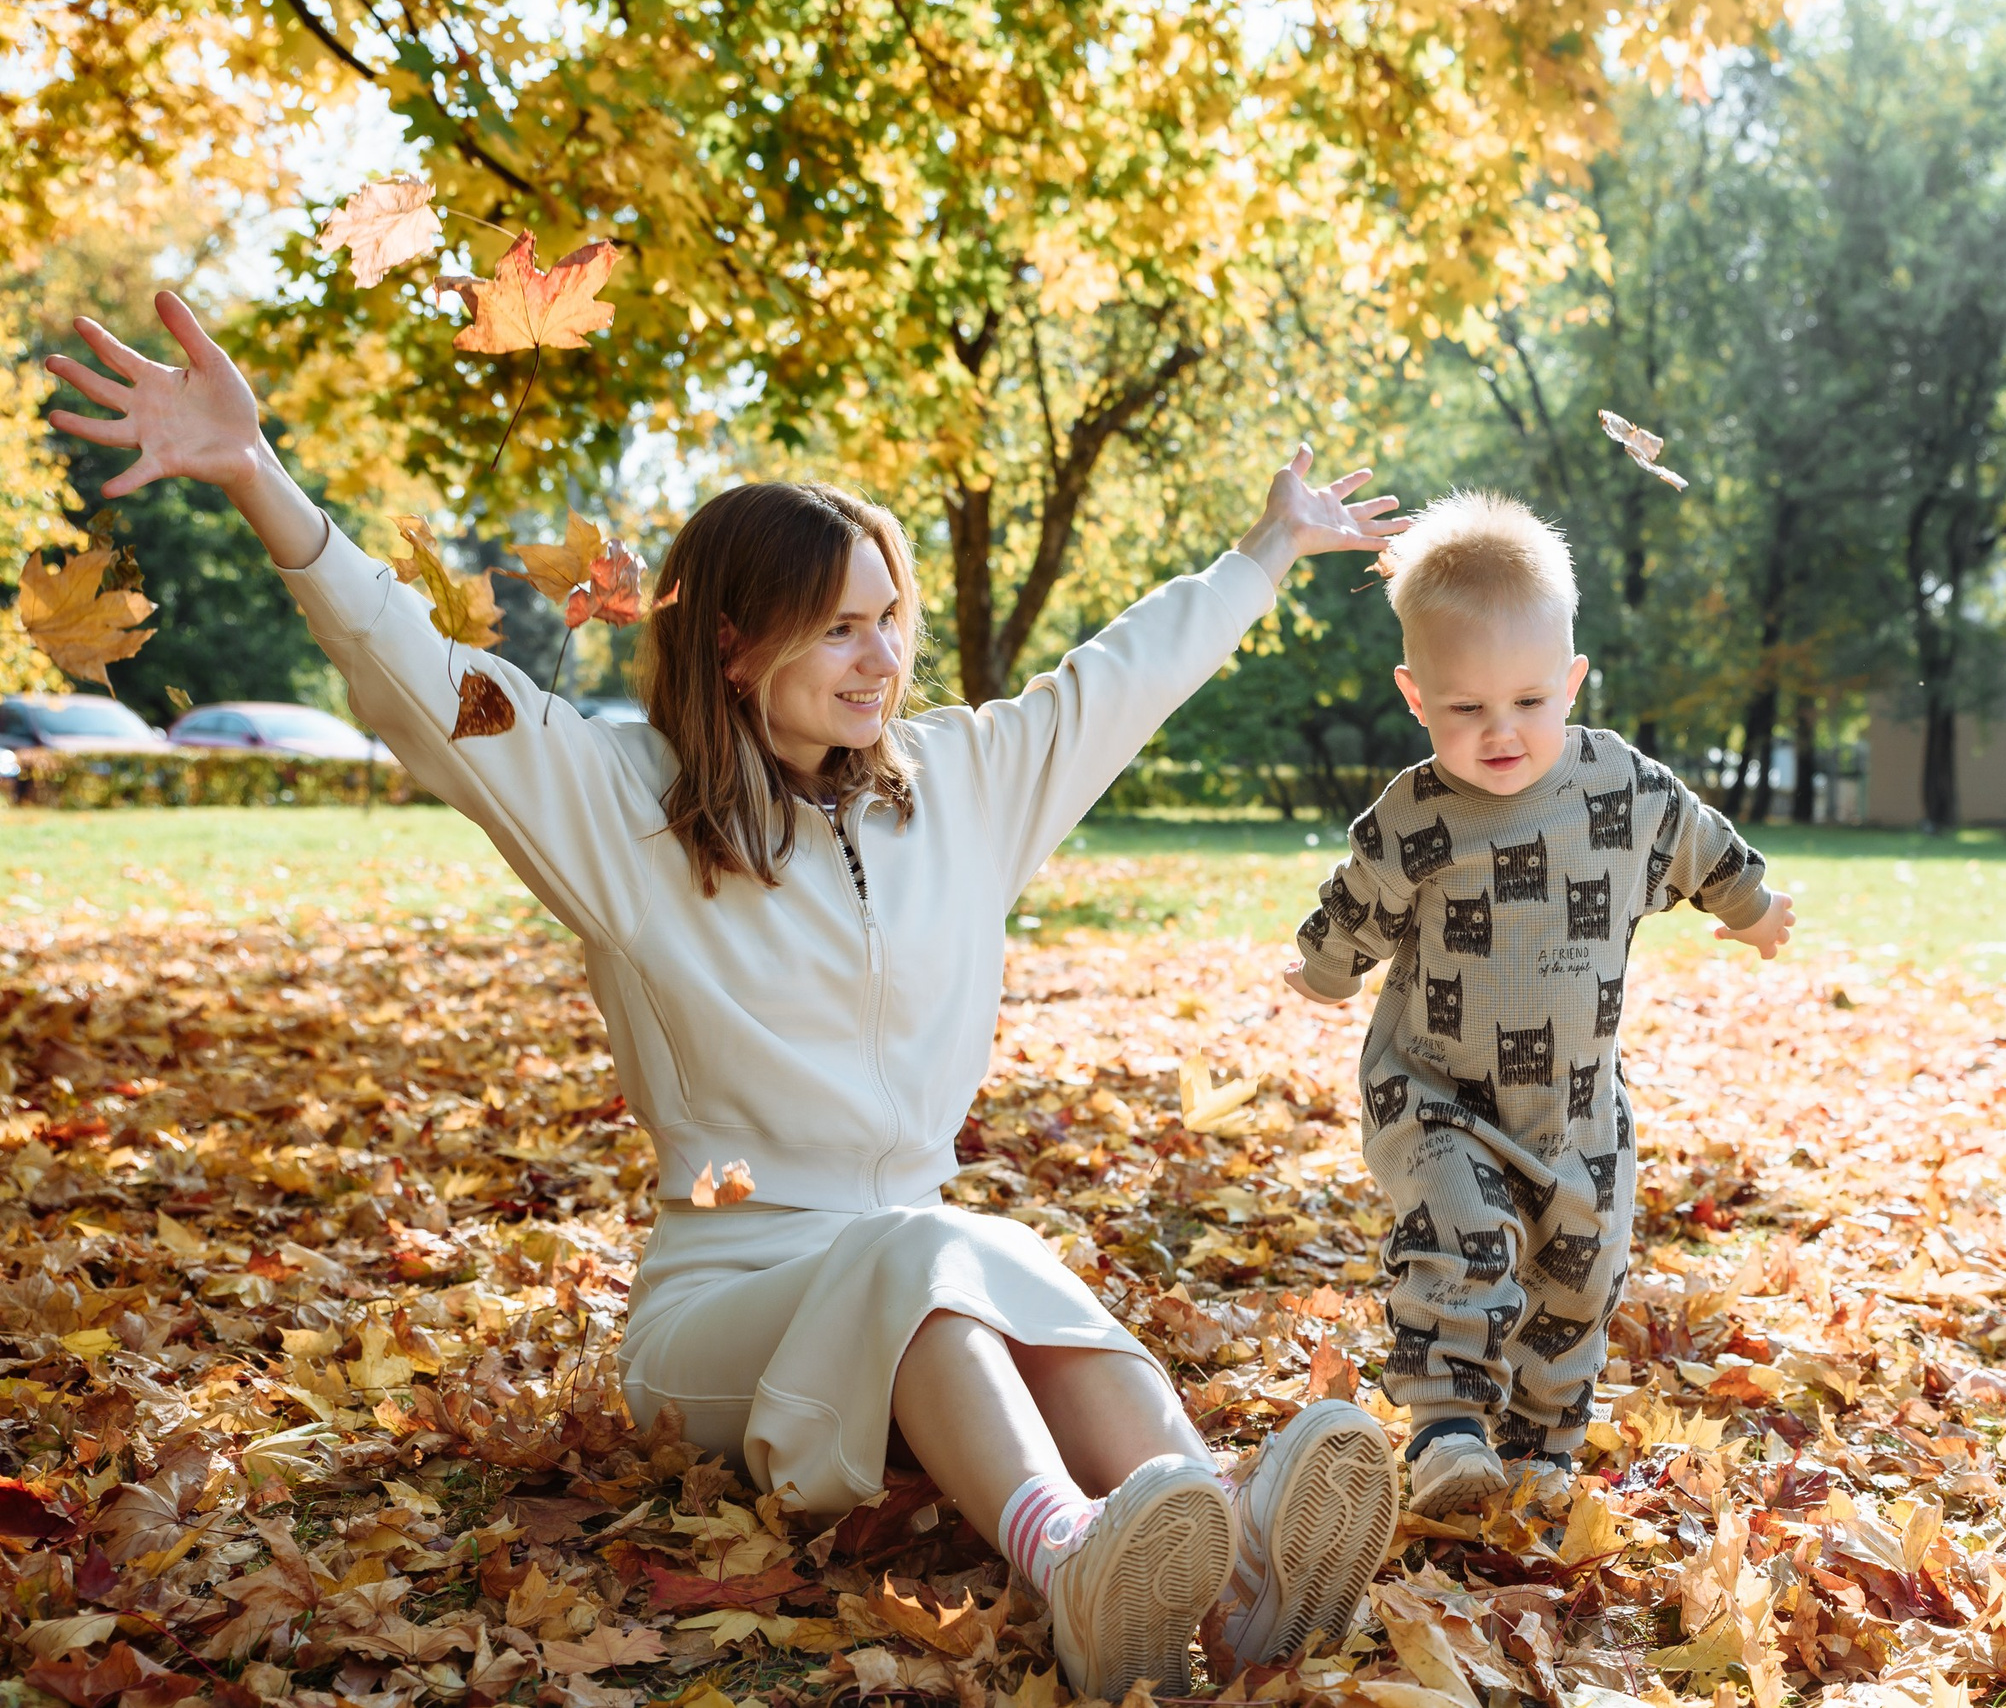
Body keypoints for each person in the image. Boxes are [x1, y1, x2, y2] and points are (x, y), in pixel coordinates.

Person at [48, 293, 1410, 1697]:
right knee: (921, 1257)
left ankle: (1238, 1561)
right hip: (726, 1299)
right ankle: (1070, 1560)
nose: (882, 660)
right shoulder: (624, 807)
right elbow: (419, 681)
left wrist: (1268, 549)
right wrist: (260, 479)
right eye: (838, 631)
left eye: (890, 622)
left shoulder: (958, 790)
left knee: (983, 1256)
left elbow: (1119, 679)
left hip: (918, 1266)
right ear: (736, 647)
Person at [1280, 491, 1795, 1516]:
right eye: (1465, 708)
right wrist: (1325, 972)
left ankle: (1542, 1440)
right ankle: (1450, 1426)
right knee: (1455, 1234)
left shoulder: (1618, 786)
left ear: (1570, 680)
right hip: (1433, 1089)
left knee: (1580, 1271)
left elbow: (1697, 839)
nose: (1501, 731)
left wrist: (1752, 903)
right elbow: (1357, 904)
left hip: (1574, 1104)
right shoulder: (1415, 814)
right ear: (1415, 695)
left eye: (1527, 700)